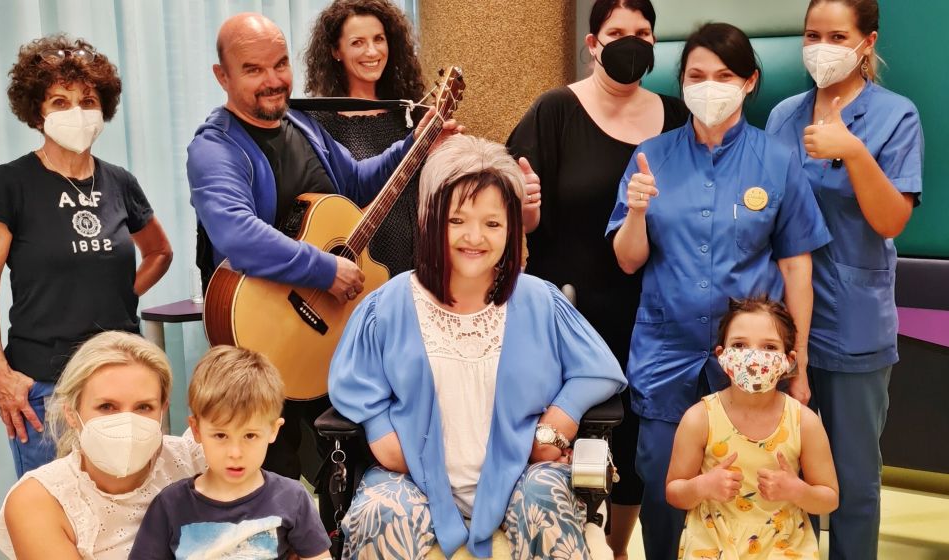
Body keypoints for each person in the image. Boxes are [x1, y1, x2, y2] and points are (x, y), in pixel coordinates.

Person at [186, 12, 458, 532]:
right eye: (253, 69)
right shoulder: (215, 146)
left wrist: (418, 145)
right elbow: (237, 235)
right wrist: (323, 269)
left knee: (349, 467)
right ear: (223, 77)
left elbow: (356, 184)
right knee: (269, 487)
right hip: (259, 341)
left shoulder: (301, 125)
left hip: (325, 336)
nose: (273, 80)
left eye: (281, 64)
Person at [328, 135, 626, 558]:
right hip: (415, 479)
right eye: (457, 221)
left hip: (519, 475)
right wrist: (379, 428)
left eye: (493, 223)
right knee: (380, 510)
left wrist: (556, 424)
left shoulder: (539, 300)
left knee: (548, 495)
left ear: (511, 229)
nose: (475, 237)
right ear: (431, 220)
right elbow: (350, 380)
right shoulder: (389, 305)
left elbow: (598, 369)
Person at [606, 23, 831, 560]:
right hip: (667, 351)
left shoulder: (776, 160)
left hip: (754, 357)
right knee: (665, 481)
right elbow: (627, 258)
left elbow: (797, 269)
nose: (711, 87)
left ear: (750, 82)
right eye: (697, 76)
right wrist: (636, 210)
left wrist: (796, 362)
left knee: (766, 482)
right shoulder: (651, 155)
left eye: (724, 75)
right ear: (681, 83)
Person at [506, 1, 688, 554]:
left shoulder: (678, 116)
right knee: (571, 436)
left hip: (653, 310)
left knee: (639, 442)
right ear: (592, 43)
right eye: (616, 32)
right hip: (571, 308)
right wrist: (527, 208)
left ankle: (615, 546)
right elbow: (517, 214)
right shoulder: (555, 110)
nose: (630, 42)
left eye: (642, 33)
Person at [0, 34, 172, 477]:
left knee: (127, 509)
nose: (75, 113)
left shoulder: (120, 182)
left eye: (87, 100)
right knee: (54, 516)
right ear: (37, 111)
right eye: (59, 102)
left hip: (118, 378)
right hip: (44, 384)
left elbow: (159, 252)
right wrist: (0, 376)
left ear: (104, 109)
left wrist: (118, 296)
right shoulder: (9, 185)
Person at [765, 1, 924, 557]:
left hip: (854, 326)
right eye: (812, 34)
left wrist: (853, 152)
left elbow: (891, 220)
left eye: (837, 35)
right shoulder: (784, 115)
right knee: (785, 475)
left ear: (867, 42)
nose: (821, 47)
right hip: (784, 329)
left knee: (852, 482)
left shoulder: (895, 115)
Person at [0, 331, 205, 559]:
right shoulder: (38, 501)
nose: (127, 423)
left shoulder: (194, 460)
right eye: (107, 407)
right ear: (71, 413)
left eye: (143, 407)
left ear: (163, 410)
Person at [666, 296, 839, 559]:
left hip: (785, 544)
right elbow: (674, 492)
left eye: (769, 347)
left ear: (789, 360)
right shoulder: (699, 418)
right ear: (722, 355)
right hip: (713, 542)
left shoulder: (804, 422)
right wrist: (703, 486)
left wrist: (797, 490)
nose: (754, 357)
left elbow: (829, 497)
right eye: (740, 344)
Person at [130, 346, 330, 559]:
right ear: (196, 430)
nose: (235, 453)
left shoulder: (293, 498)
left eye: (250, 436)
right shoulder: (169, 505)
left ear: (273, 430)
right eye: (221, 436)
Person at [304, 0, 427, 276]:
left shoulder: (410, 114)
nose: (372, 51)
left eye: (378, 39)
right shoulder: (318, 121)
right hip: (357, 265)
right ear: (336, 51)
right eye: (357, 42)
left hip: (418, 260)